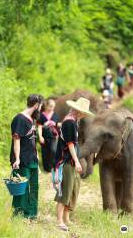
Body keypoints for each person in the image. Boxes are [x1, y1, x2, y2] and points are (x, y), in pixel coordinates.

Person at [54, 97, 94, 231]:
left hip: (72, 160)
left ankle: (67, 218)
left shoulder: (74, 122)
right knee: (65, 191)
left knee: (73, 189)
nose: (84, 115)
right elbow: (70, 144)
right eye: (83, 112)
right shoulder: (69, 123)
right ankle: (59, 221)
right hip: (66, 161)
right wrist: (77, 161)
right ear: (78, 111)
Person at [10, 94, 44, 220]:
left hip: (32, 160)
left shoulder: (31, 119)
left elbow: (32, 141)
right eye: (40, 106)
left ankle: (31, 214)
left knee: (34, 187)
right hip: (23, 160)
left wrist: (37, 157)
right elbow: (16, 139)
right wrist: (17, 158)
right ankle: (20, 215)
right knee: (22, 188)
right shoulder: (20, 119)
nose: (40, 109)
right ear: (36, 105)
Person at [37, 99, 60, 172]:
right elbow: (39, 126)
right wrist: (40, 136)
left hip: (54, 137)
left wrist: (55, 124)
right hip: (44, 137)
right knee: (45, 152)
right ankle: (47, 168)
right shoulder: (41, 115)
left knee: (53, 150)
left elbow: (60, 124)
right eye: (50, 106)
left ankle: (53, 166)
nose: (52, 108)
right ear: (46, 106)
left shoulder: (55, 115)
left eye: (53, 107)